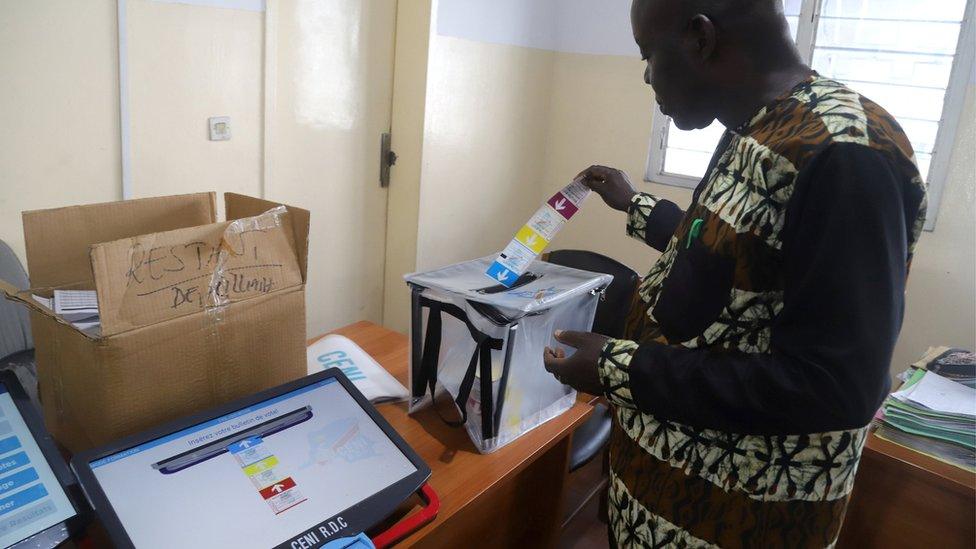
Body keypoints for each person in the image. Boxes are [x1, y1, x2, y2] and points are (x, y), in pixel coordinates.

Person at [542, 0, 927, 547]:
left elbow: (836, 387)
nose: (647, 76)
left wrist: (617, 367)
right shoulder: (760, 129)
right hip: (660, 506)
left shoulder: (844, 155)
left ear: (700, 39)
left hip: (736, 521)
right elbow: (723, 254)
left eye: (649, 55)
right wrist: (633, 205)